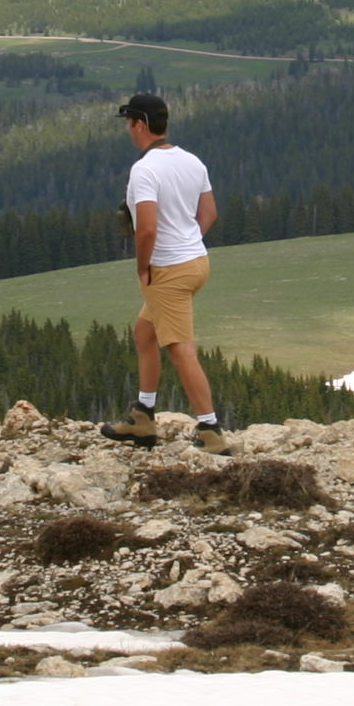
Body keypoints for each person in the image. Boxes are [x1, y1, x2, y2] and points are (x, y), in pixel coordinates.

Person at [98, 93, 226, 453]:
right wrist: (188, 241)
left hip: (166, 269)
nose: (127, 130)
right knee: (144, 333)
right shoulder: (191, 161)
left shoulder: (144, 169)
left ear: (139, 123)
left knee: (180, 348)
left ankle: (210, 430)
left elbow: (148, 229)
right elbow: (210, 214)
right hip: (197, 263)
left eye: (128, 123)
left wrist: (143, 267)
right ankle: (143, 416)